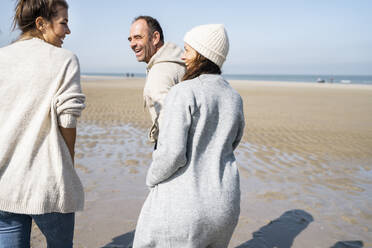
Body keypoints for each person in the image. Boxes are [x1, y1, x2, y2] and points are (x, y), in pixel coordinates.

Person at [133, 24, 245, 247]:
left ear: (202, 55)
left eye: (188, 50)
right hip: (226, 204)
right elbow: (233, 142)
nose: (183, 56)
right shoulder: (234, 97)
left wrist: (151, 179)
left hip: (186, 208)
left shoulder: (183, 91)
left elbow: (172, 153)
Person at [0, 0, 85, 247]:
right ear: (40, 23)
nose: (68, 31)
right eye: (63, 23)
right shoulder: (65, 59)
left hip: (5, 183)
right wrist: (68, 162)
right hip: (49, 181)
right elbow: (68, 119)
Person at [128, 16, 186, 144]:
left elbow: (170, 126)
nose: (132, 44)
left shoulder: (160, 72)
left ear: (155, 38)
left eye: (138, 37)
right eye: (130, 39)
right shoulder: (179, 61)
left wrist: (164, 161)